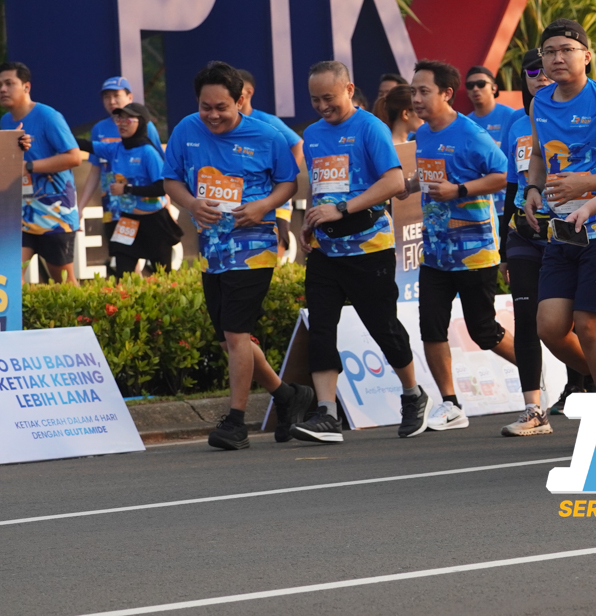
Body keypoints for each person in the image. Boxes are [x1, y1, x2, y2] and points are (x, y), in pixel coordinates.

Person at [162, 61, 311, 450]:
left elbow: (288, 183)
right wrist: (192, 203)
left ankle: (236, 422)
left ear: (239, 101)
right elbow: (171, 179)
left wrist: (264, 206)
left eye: (221, 107)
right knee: (228, 339)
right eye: (205, 107)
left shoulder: (266, 135)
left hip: (253, 246)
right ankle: (287, 395)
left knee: (236, 332)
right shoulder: (185, 130)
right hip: (211, 247)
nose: (212, 115)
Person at [289, 61, 429, 444]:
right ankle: (327, 414)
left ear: (349, 90)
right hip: (325, 250)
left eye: (329, 98)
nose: (322, 107)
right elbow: (318, 183)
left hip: (369, 247)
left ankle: (413, 394)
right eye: (315, 100)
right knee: (320, 328)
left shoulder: (370, 127)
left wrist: (343, 208)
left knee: (382, 326)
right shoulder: (312, 134)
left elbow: (394, 182)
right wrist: (310, 218)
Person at [523, 20, 596, 411]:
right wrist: (533, 189)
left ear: (586, 56)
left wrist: (585, 184)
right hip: (561, 232)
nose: (557, 58)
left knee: (590, 327)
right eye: (549, 52)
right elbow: (538, 154)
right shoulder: (540, 102)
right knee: (550, 328)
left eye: (566, 50)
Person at [407, 59, 514, 432]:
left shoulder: (470, 133)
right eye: (413, 91)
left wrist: (460, 190)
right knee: (430, 327)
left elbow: (503, 174)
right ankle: (451, 404)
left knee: (483, 332)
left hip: (474, 252)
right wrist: (407, 184)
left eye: (424, 91)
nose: (416, 98)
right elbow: (428, 176)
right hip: (435, 253)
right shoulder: (421, 134)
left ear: (446, 93)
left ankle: (534, 376)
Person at [500, 49, 557, 436]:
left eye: (546, 68)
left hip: (566, 230)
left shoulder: (578, 115)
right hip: (523, 230)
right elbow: (511, 186)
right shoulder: (516, 123)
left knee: (570, 321)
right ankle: (533, 409)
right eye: (532, 71)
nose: (540, 76)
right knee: (525, 318)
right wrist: (504, 249)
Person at [0, 62, 82, 284]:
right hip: (19, 215)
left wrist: (28, 166)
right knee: (8, 278)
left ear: (26, 87)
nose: (3, 89)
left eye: (9, 83)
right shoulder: (5, 121)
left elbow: (74, 157)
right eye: (0, 85)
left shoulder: (48, 116)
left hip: (55, 214)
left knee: (64, 284)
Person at [92, 103, 181, 275]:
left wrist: (127, 189)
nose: (122, 123)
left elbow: (161, 188)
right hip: (127, 220)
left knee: (163, 277)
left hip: (154, 221)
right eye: (120, 119)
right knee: (123, 275)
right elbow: (84, 145)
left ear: (141, 123)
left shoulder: (149, 152)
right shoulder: (115, 148)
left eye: (128, 119)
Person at [77, 76, 162, 250]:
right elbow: (95, 169)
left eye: (116, 95)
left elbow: (161, 170)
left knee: (152, 252)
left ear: (130, 97)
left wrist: (165, 202)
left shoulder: (146, 126)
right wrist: (80, 207)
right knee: (122, 254)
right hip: (114, 205)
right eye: (106, 97)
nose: (111, 101)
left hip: (146, 205)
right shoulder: (99, 129)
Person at [237, 69, 303, 254]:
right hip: (241, 200)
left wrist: (284, 177)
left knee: (277, 247)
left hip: (274, 200)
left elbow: (298, 144)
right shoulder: (226, 124)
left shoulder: (266, 121)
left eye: (236, 88)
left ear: (249, 92)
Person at [464, 65, 517, 221]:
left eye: (481, 84)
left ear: (494, 88)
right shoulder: (465, 123)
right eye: (470, 85)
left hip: (509, 201)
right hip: (480, 206)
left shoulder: (511, 116)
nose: (475, 89)